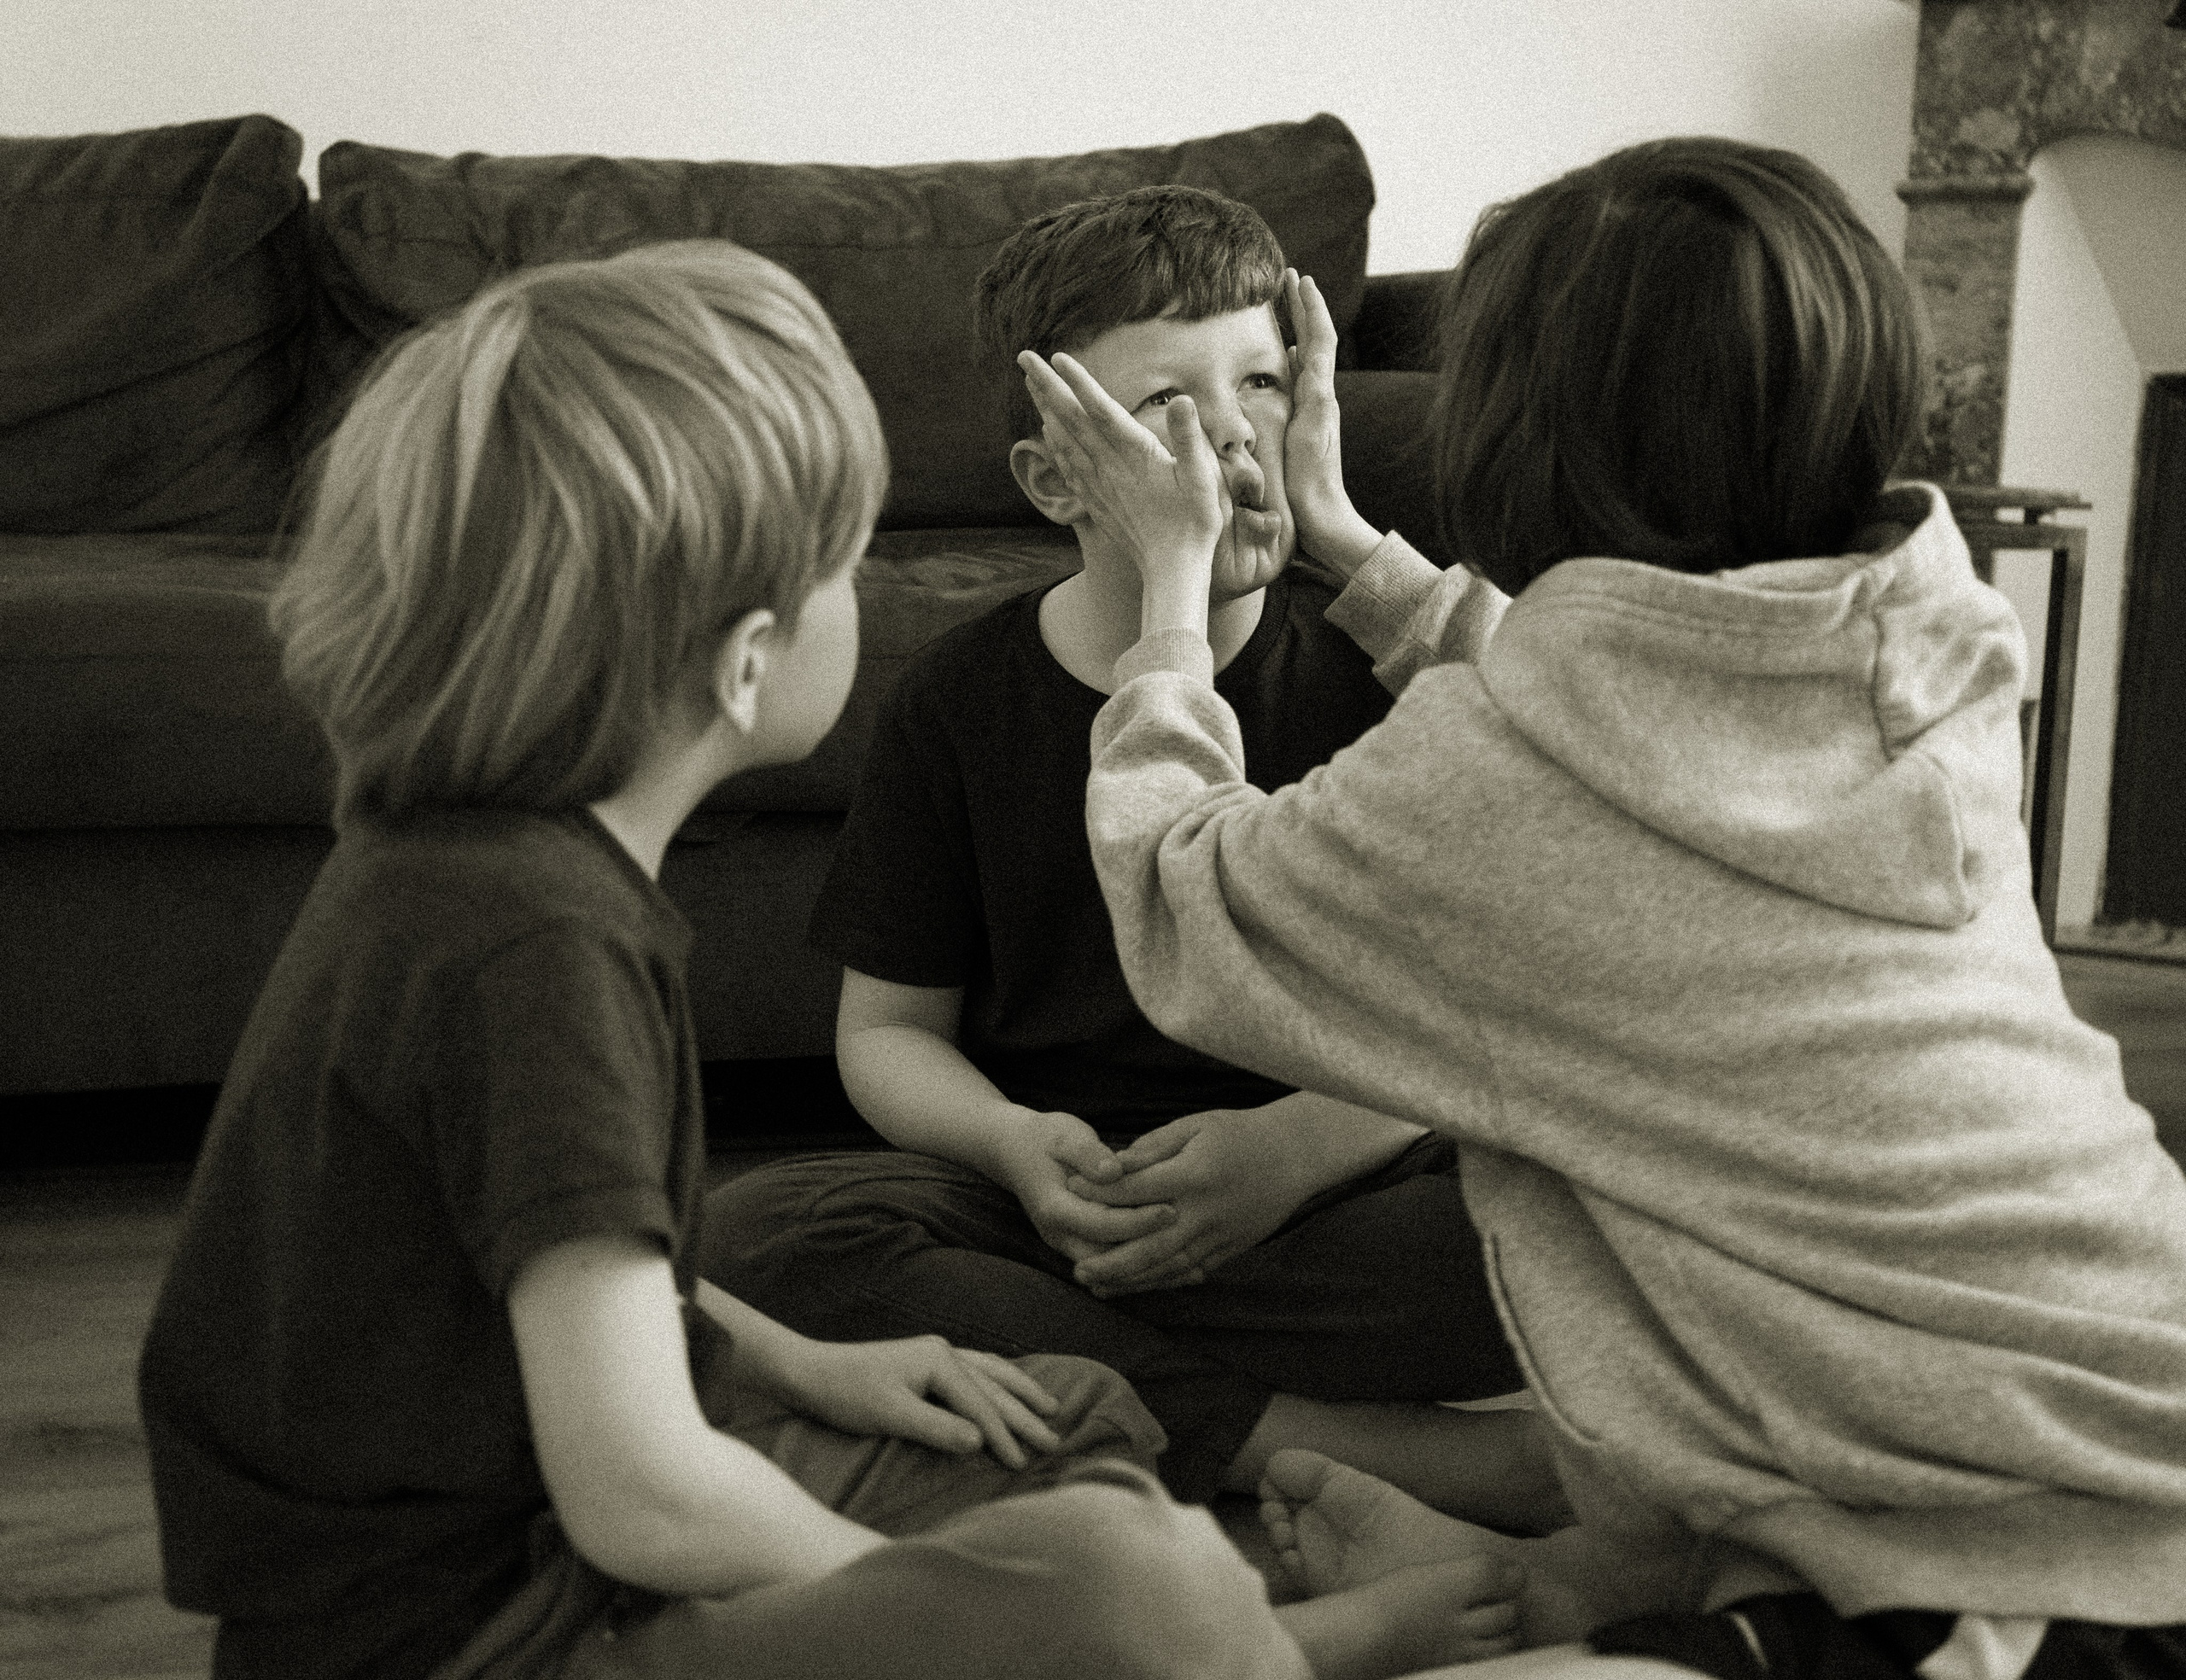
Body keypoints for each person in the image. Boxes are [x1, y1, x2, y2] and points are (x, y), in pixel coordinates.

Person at [133, 242, 1523, 1680]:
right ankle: (1283, 1648)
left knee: (1071, 1422)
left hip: (546, 1526)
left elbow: (523, 1289)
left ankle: (1223, 1609)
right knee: (1125, 1572)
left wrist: (803, 1369)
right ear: (746, 662)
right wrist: (966, 1606)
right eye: (846, 559)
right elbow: (647, 1497)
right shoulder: (532, 949)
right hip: (488, 1631)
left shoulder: (473, 872)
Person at [1021, 137, 2186, 1677]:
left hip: (2035, 1573)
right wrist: (1351, 549)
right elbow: (1617, 704)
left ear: (1511, 437)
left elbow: (1185, 901)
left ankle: (1605, 1594)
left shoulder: (1496, 782)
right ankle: (1597, 1572)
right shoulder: (1931, 636)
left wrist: (1170, 602)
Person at [698, 184, 1556, 1531]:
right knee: (753, 1243)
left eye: (1265, 381)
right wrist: (1014, 1146)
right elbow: (887, 1038)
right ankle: (1326, 1446)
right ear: (1054, 481)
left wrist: (1298, 1152)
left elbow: (1507, 1001)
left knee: (1587, 1212)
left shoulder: (1385, 658)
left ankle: (1139, 1398)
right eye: (1166, 406)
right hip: (1069, 1207)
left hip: (1345, 1187)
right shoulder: (960, 701)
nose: (1231, 432)